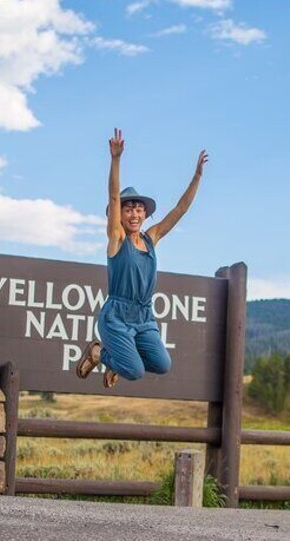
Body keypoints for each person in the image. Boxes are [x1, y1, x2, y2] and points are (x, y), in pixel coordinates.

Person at [75, 128, 209, 388]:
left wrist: (197, 177)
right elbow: (114, 197)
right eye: (128, 210)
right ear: (120, 215)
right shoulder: (117, 238)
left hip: (144, 316)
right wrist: (116, 160)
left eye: (139, 210)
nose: (134, 214)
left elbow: (179, 210)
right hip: (117, 315)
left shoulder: (151, 238)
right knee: (134, 372)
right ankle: (97, 353)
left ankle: (117, 361)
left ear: (145, 214)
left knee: (162, 365)